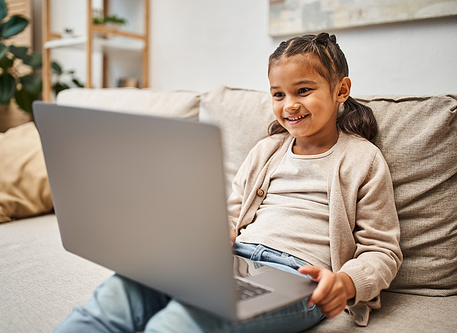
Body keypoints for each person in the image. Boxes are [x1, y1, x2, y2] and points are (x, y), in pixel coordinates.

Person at [54, 32, 402, 333]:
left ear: (341, 90)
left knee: (175, 324)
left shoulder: (363, 159)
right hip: (231, 260)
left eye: (303, 90)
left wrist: (345, 283)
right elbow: (232, 214)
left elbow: (382, 250)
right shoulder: (267, 150)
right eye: (278, 94)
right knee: (119, 294)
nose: (289, 105)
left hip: (295, 279)